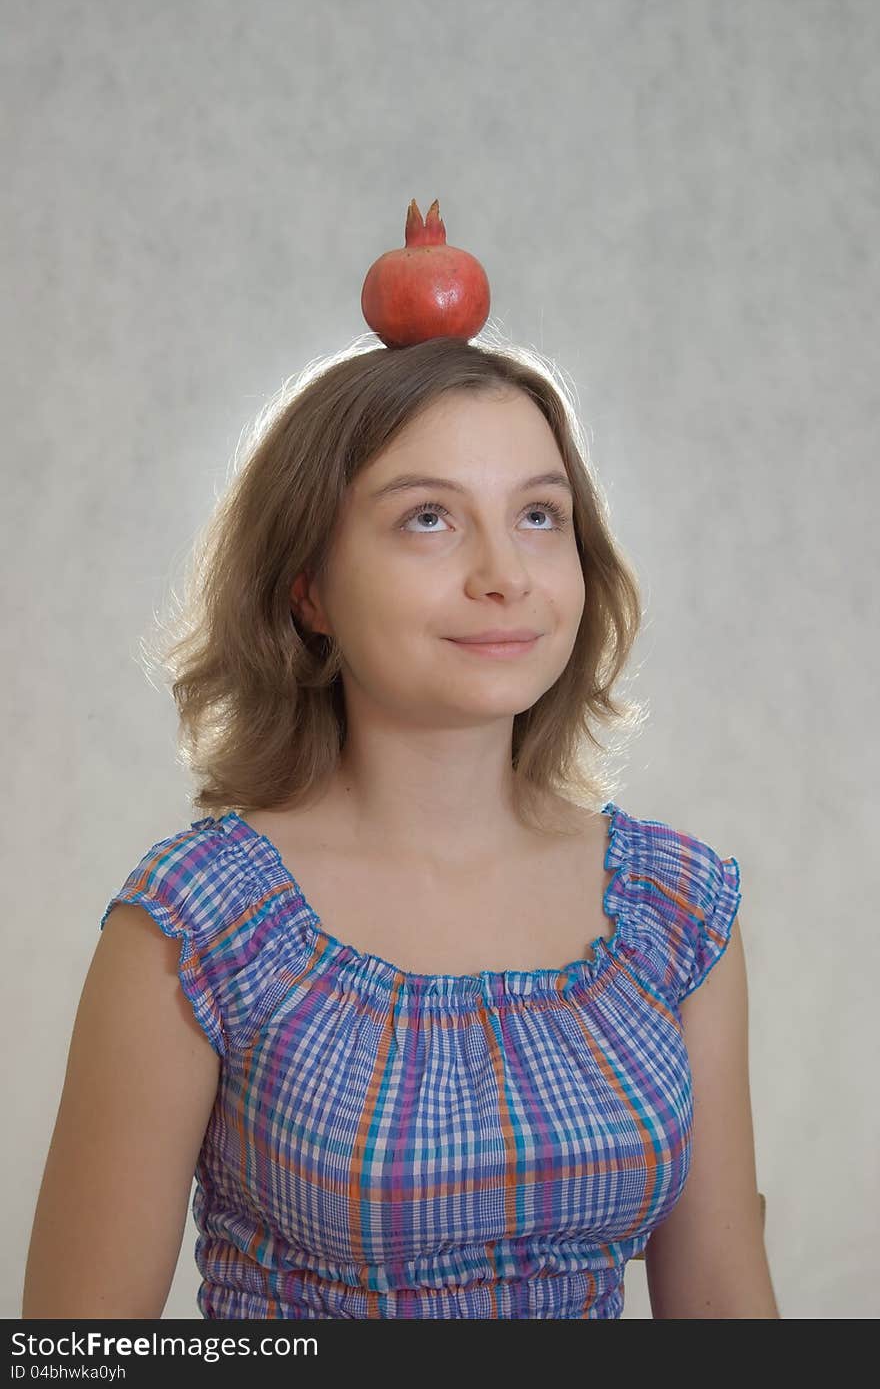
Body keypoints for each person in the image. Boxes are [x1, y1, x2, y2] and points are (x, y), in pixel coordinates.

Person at [22, 335, 779, 1319]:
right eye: (429, 519)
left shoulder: (675, 914)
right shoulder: (195, 924)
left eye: (539, 516)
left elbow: (722, 1303)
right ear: (308, 589)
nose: (504, 574)